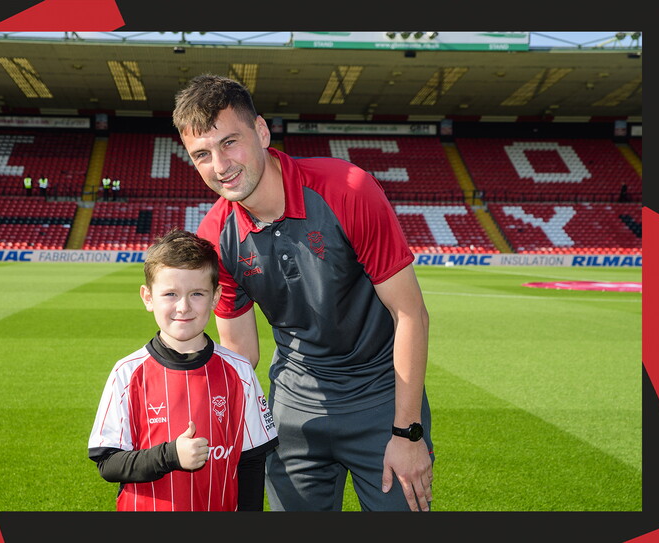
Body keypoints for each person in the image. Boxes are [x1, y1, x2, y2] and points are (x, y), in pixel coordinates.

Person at [173, 74, 434, 512]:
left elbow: (411, 316)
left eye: (230, 143)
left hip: (380, 399)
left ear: (260, 131)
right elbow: (240, 353)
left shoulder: (347, 189)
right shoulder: (216, 234)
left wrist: (408, 432)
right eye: (202, 154)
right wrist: (207, 418)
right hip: (294, 410)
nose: (220, 166)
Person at [87, 228, 279, 511]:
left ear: (215, 297)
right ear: (148, 297)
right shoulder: (127, 373)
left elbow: (251, 461)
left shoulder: (239, 372)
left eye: (197, 294)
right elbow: (108, 463)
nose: (183, 307)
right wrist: (171, 455)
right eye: (170, 294)